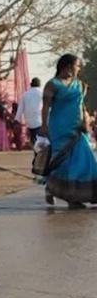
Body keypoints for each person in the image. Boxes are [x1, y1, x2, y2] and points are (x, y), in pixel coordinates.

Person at [41, 54, 97, 207]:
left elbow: (81, 105)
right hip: (59, 127)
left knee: (85, 159)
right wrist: (44, 126)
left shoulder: (79, 85)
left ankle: (78, 195)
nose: (79, 69)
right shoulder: (52, 84)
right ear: (67, 66)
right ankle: (60, 193)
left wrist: (85, 121)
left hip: (77, 127)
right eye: (77, 66)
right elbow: (46, 107)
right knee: (63, 162)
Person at [16, 78, 44, 144]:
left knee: (34, 140)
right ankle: (39, 152)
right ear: (40, 84)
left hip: (29, 122)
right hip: (41, 121)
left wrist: (17, 120)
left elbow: (20, 108)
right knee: (42, 142)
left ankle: (36, 152)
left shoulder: (25, 94)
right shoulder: (42, 93)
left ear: (31, 84)